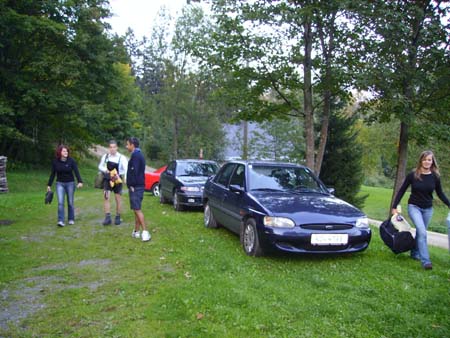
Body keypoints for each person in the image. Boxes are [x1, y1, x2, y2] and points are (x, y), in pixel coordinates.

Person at [392, 150, 450, 270]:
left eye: (429, 160)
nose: (427, 162)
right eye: (425, 159)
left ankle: (414, 253)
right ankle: (426, 261)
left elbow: (440, 193)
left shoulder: (435, 176)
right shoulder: (413, 174)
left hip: (428, 209)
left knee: (420, 232)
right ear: (421, 161)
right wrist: (394, 206)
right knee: (423, 232)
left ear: (432, 161)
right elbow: (402, 190)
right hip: (414, 207)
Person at [47, 145, 83, 227]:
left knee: (70, 202)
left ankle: (71, 219)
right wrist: (49, 185)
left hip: (70, 183)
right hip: (59, 184)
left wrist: (80, 181)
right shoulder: (55, 162)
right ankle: (61, 220)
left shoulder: (71, 161)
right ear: (60, 152)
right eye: (64, 151)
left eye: (66, 151)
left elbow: (76, 171)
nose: (66, 152)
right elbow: (53, 174)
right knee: (60, 202)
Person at [126, 137, 151, 242]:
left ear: (132, 145)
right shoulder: (138, 154)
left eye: (127, 144)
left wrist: (131, 184)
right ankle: (136, 231)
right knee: (136, 209)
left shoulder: (136, 155)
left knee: (137, 209)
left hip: (136, 186)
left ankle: (145, 232)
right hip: (138, 185)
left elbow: (134, 171)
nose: (126, 146)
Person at [98, 140, 128, 225]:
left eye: (114, 147)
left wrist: (125, 178)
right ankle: (107, 217)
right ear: (109, 148)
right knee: (106, 197)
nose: (112, 149)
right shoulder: (106, 156)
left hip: (117, 179)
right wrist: (105, 169)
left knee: (118, 198)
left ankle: (118, 216)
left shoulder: (121, 158)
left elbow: (126, 169)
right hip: (107, 179)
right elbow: (100, 166)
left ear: (117, 148)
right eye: (111, 147)